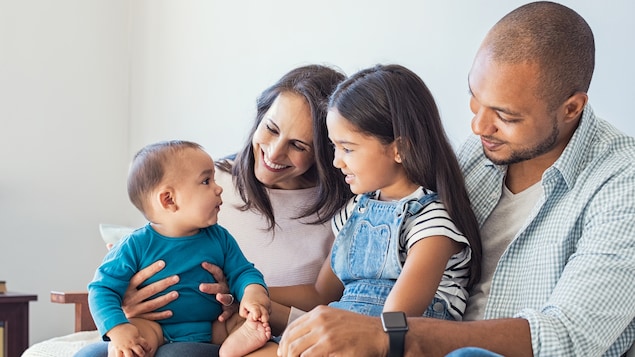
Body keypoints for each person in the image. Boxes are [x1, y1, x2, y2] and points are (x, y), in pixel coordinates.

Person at [274, 2, 635, 356]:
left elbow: (569, 337)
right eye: (475, 100)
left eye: (505, 116)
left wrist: (391, 334)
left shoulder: (621, 181)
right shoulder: (480, 153)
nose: (478, 126)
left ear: (572, 108)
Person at [75, 64, 351, 357]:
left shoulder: (346, 211)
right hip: (156, 324)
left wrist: (243, 294)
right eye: (270, 128)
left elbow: (319, 298)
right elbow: (120, 275)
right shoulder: (202, 180)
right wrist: (124, 306)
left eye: (298, 145)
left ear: (325, 149)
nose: (274, 153)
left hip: (236, 326)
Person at [264, 64, 481, 334]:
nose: (336, 161)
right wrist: (255, 293)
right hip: (343, 332)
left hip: (389, 341)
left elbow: (393, 323)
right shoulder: (354, 211)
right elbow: (321, 294)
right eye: (334, 146)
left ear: (400, 149)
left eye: (347, 148)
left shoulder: (431, 222)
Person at [88, 140, 272, 357]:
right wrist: (119, 329)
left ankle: (235, 345)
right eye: (206, 181)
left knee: (242, 321)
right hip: (155, 327)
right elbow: (102, 289)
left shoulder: (220, 238)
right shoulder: (135, 245)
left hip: (214, 324)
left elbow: (243, 271)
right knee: (132, 342)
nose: (218, 187)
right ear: (169, 200)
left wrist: (253, 293)